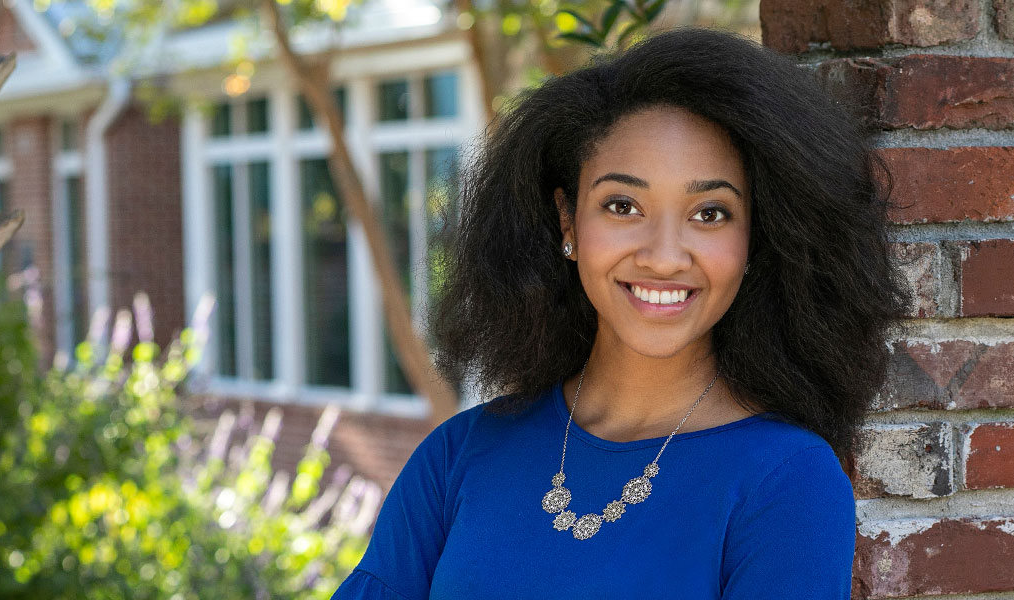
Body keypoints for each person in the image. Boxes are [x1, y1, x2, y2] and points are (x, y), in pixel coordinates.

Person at [332, 26, 911, 599]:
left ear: (757, 237)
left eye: (710, 213)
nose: (663, 257)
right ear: (568, 222)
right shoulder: (460, 455)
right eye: (623, 205)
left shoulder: (788, 482)